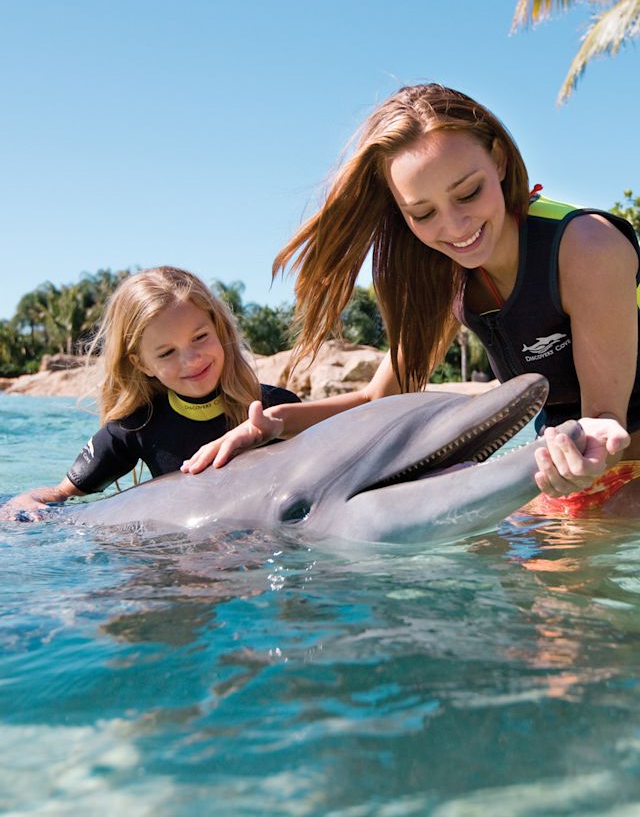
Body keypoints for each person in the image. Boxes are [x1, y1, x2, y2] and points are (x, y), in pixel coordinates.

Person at [182, 83, 640, 516]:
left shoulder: (585, 246)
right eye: (423, 213)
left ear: (499, 161)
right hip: (569, 461)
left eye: (469, 192)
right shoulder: (445, 274)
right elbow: (380, 397)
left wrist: (593, 451)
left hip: (614, 458)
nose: (456, 226)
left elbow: (604, 418)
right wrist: (275, 423)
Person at [3, 266, 299, 518]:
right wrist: (22, 502)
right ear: (142, 364)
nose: (191, 359)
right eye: (167, 352)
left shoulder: (276, 408)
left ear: (219, 330)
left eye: (200, 337)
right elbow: (62, 493)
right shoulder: (136, 427)